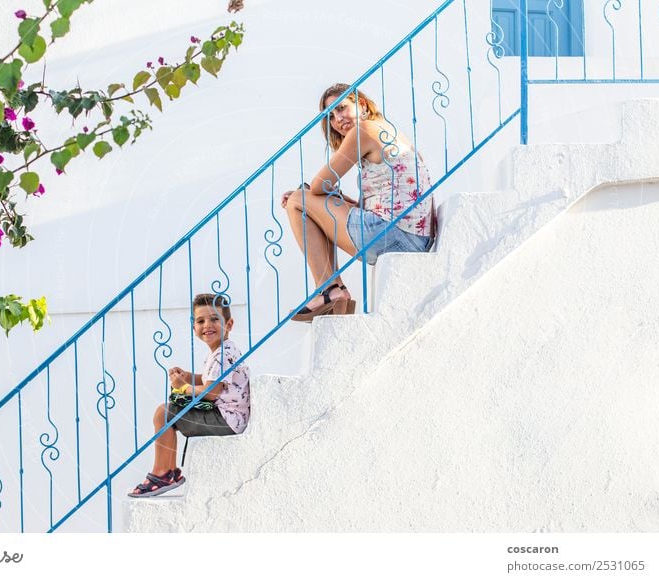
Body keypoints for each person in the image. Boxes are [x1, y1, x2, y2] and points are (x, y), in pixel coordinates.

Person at [281, 83, 435, 322]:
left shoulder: (363, 130)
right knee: (306, 200)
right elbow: (365, 206)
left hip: (393, 233)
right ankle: (333, 291)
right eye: (330, 116)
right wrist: (328, 197)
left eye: (342, 108)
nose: (337, 119)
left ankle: (330, 290)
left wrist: (307, 195)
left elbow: (320, 183)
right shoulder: (389, 132)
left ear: (361, 104)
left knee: (296, 201)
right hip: (413, 237)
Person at [128, 293, 250, 497]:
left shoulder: (222, 355)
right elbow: (212, 380)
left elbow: (211, 393)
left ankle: (162, 473)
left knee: (164, 413)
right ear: (194, 328)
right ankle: (167, 471)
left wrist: (183, 386)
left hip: (225, 420)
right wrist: (189, 377)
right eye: (200, 321)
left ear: (229, 324)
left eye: (214, 319)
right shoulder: (223, 351)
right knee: (168, 412)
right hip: (230, 417)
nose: (207, 325)